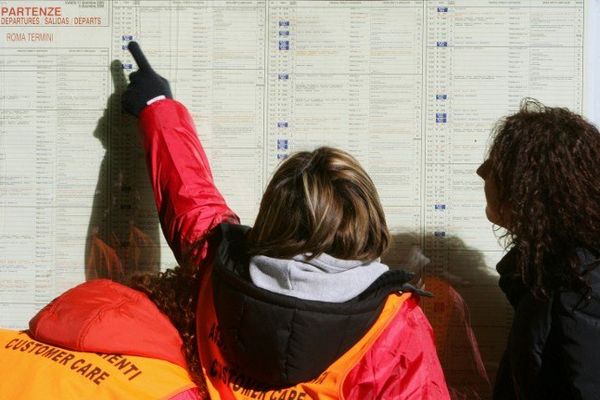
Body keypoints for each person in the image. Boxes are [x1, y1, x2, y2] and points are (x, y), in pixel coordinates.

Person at [0, 42, 450, 399]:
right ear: (369, 225)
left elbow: (191, 202)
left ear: (273, 215)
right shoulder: (393, 324)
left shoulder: (223, 267)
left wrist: (157, 105)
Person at [477, 99, 600, 400]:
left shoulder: (579, 287)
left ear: (531, 187)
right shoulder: (555, 271)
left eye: (496, 165)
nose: (482, 172)